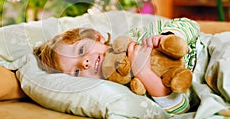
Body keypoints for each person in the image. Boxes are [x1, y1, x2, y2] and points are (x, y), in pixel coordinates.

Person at [33, 17, 200, 115]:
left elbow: (190, 25)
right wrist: (144, 73)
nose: (84, 63)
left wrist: (168, 37)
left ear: (97, 37)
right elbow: (180, 110)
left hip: (208, 52)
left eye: (81, 50)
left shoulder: (137, 37)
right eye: (76, 71)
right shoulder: (124, 89)